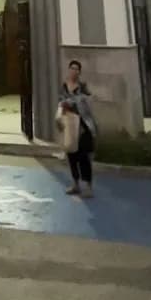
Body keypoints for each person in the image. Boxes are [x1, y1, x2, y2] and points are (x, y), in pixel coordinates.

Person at [59, 60, 96, 198]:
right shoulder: (64, 87)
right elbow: (61, 101)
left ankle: (88, 186)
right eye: (72, 68)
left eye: (76, 69)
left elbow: (86, 100)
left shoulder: (82, 87)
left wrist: (72, 102)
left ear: (79, 72)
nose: (74, 71)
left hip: (83, 124)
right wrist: (64, 104)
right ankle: (76, 184)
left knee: (83, 156)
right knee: (72, 155)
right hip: (70, 124)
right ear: (69, 70)